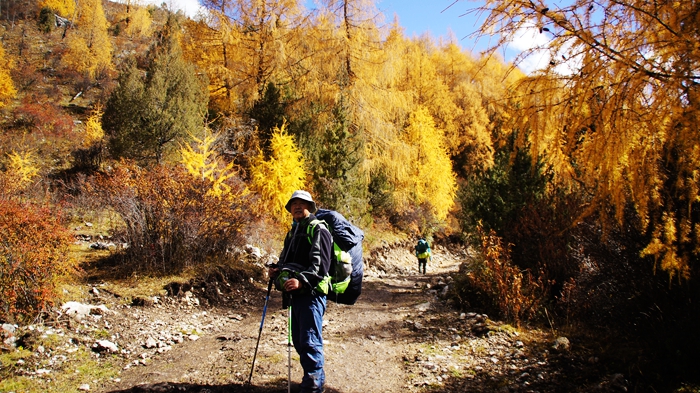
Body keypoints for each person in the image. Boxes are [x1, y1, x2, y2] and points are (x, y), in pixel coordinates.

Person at [269, 190, 332, 393]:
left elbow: (321, 265)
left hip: (311, 294)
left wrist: (302, 281)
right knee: (299, 339)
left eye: (302, 203)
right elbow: (286, 259)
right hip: (296, 294)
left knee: (310, 340)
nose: (297, 206)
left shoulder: (318, 229)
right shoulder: (293, 232)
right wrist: (277, 269)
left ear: (310, 207)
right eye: (294, 203)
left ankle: (313, 386)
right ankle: (311, 378)